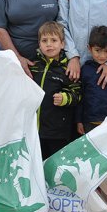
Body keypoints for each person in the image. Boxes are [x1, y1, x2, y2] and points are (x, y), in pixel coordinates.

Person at [30, 21, 81, 159]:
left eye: (54, 40)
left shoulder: (68, 69)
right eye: (44, 40)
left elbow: (77, 93)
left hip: (58, 131)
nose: (49, 44)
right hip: (34, 130)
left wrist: (65, 98)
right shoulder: (34, 66)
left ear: (62, 44)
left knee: (56, 164)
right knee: (38, 163)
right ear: (39, 44)